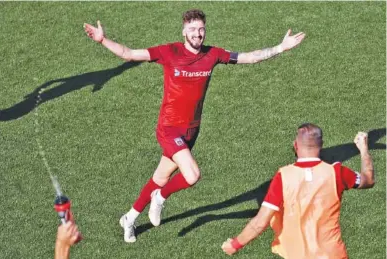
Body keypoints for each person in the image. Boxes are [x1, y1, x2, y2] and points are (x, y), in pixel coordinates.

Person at [84, 9, 306, 243]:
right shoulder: (169, 52)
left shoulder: (213, 55)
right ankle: (160, 197)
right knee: (192, 174)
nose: (197, 34)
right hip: (168, 128)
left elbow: (248, 57)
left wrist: (281, 47)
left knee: (160, 176)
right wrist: (103, 40)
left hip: (191, 131)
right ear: (183, 32)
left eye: (201, 29)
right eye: (192, 30)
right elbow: (128, 53)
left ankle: (129, 218)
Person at [222, 123, 375, 259]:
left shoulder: (283, 176)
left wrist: (235, 245)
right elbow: (368, 180)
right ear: (321, 145)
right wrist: (363, 149)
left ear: (295, 145)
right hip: (333, 254)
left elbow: (260, 222)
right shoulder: (337, 172)